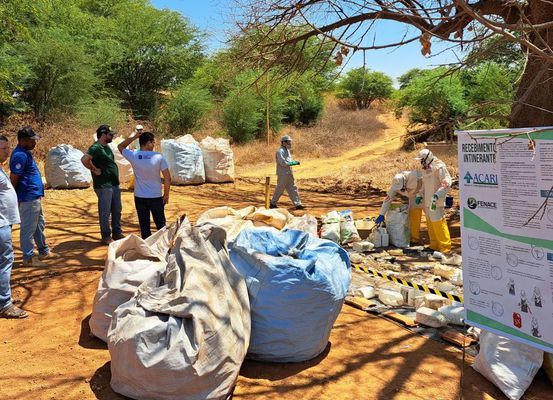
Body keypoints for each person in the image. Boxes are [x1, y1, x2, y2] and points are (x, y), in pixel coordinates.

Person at [117, 129, 171, 239]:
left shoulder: (134, 155)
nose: (154, 144)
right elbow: (167, 178)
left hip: (140, 197)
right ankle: (164, 247)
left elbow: (120, 147)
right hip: (156, 196)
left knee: (144, 226)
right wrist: (166, 195)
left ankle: (147, 249)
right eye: (153, 142)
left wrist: (135, 137)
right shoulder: (158, 157)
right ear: (148, 143)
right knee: (161, 225)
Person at [9, 126, 50, 267]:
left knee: (38, 225)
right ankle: (29, 258)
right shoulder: (20, 155)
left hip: (34, 196)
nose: (35, 143)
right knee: (28, 228)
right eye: (32, 140)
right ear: (22, 140)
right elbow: (14, 177)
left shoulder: (25, 153)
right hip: (27, 197)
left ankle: (43, 250)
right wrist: (12, 196)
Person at [81, 124, 123, 245]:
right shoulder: (96, 148)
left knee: (117, 209)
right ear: (103, 135)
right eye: (110, 135)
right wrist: (94, 170)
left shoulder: (107, 147)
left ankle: (117, 232)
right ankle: (105, 236)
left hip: (114, 184)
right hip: (104, 185)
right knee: (105, 211)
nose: (112, 137)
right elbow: (84, 159)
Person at [0, 135, 28, 318]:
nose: (7, 151)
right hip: (0, 224)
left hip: (4, 222)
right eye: (3, 149)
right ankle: (4, 303)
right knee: (4, 261)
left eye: (7, 148)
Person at [415, 148, 452, 253]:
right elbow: (424, 184)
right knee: (430, 222)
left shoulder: (440, 167)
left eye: (422, 160)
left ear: (428, 158)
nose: (421, 163)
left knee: (438, 222)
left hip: (436, 201)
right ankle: (434, 244)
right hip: (427, 201)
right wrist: (420, 194)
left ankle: (445, 247)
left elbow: (446, 184)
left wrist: (437, 195)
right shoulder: (425, 169)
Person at [375, 170, 424, 243]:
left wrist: (421, 194)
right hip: (414, 197)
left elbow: (427, 185)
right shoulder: (395, 185)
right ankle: (413, 238)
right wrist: (381, 214)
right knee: (413, 214)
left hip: (425, 194)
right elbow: (388, 199)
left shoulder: (415, 176)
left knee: (430, 217)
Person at [269, 135, 304, 210]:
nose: (290, 143)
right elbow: (283, 163)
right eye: (288, 142)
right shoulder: (280, 151)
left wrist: (292, 163)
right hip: (282, 173)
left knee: (293, 188)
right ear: (283, 142)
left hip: (288, 172)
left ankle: (298, 204)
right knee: (280, 189)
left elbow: (289, 160)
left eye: (290, 142)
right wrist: (293, 163)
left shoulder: (287, 150)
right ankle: (272, 203)